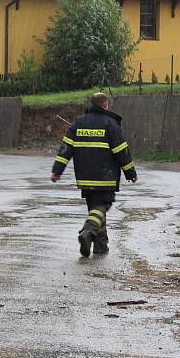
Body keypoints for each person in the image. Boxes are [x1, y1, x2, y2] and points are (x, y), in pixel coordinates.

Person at [51, 92, 137, 257]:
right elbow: (121, 152)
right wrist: (130, 172)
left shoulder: (78, 123)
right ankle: (88, 232)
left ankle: (100, 245)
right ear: (105, 106)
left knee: (95, 211)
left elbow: (65, 149)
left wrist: (57, 170)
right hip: (105, 177)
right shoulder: (111, 124)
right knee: (101, 207)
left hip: (85, 178)